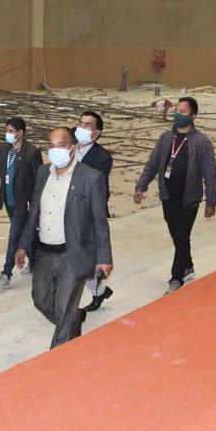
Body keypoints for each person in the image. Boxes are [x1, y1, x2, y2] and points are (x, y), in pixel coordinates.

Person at [16, 127, 113, 348]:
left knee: (64, 306)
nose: (55, 150)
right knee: (40, 300)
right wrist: (23, 245)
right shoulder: (43, 173)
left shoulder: (91, 178)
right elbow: (34, 213)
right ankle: (72, 320)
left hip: (73, 253)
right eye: (51, 146)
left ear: (72, 148)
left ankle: (57, 356)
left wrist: (104, 258)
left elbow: (99, 222)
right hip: (44, 252)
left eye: (61, 145)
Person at [135, 96, 216, 294]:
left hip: (189, 198)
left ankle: (176, 277)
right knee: (178, 236)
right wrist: (141, 186)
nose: (178, 115)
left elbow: (210, 173)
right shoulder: (166, 138)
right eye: (177, 111)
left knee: (181, 236)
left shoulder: (202, 142)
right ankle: (187, 266)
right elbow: (153, 164)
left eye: (183, 112)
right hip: (168, 196)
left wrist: (211, 201)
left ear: (193, 115)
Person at [0, 117, 43, 289]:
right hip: (8, 200)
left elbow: (39, 180)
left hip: (23, 203)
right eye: (6, 130)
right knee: (24, 233)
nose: (7, 134)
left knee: (14, 236)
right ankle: (34, 263)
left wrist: (35, 203)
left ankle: (6, 274)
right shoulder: (3, 149)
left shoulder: (31, 153)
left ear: (20, 133)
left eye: (10, 131)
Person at [76, 111, 114, 312]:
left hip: (87, 215)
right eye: (80, 123)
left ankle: (98, 291)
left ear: (96, 133)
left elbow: (98, 190)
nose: (81, 128)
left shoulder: (102, 158)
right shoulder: (68, 148)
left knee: (82, 259)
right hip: (65, 213)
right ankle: (100, 291)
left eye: (87, 125)